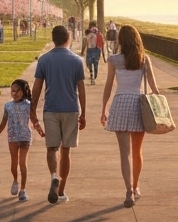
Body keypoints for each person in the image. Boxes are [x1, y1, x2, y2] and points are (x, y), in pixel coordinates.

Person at [100, 25, 161, 207]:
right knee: (137, 151)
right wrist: (160, 105)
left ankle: (128, 191)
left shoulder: (113, 60)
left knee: (124, 153)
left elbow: (109, 86)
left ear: (121, 40)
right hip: (137, 104)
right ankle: (136, 187)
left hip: (120, 104)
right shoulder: (144, 60)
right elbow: (154, 87)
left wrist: (104, 108)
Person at [30, 24, 87, 204]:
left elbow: (37, 86)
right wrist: (83, 112)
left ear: (53, 39)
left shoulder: (44, 60)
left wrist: (32, 110)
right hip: (70, 109)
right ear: (68, 38)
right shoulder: (77, 61)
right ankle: (61, 191)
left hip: (51, 109)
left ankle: (54, 176)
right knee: (66, 150)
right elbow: (81, 89)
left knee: (51, 148)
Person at [0, 79, 35, 201]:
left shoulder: (29, 105)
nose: (15, 93)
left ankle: (23, 190)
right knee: (14, 163)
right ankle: (15, 181)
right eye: (13, 90)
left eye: (18, 91)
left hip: (25, 137)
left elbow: (34, 120)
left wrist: (40, 130)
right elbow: (4, 121)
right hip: (12, 137)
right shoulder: (8, 106)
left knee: (22, 164)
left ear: (23, 91)